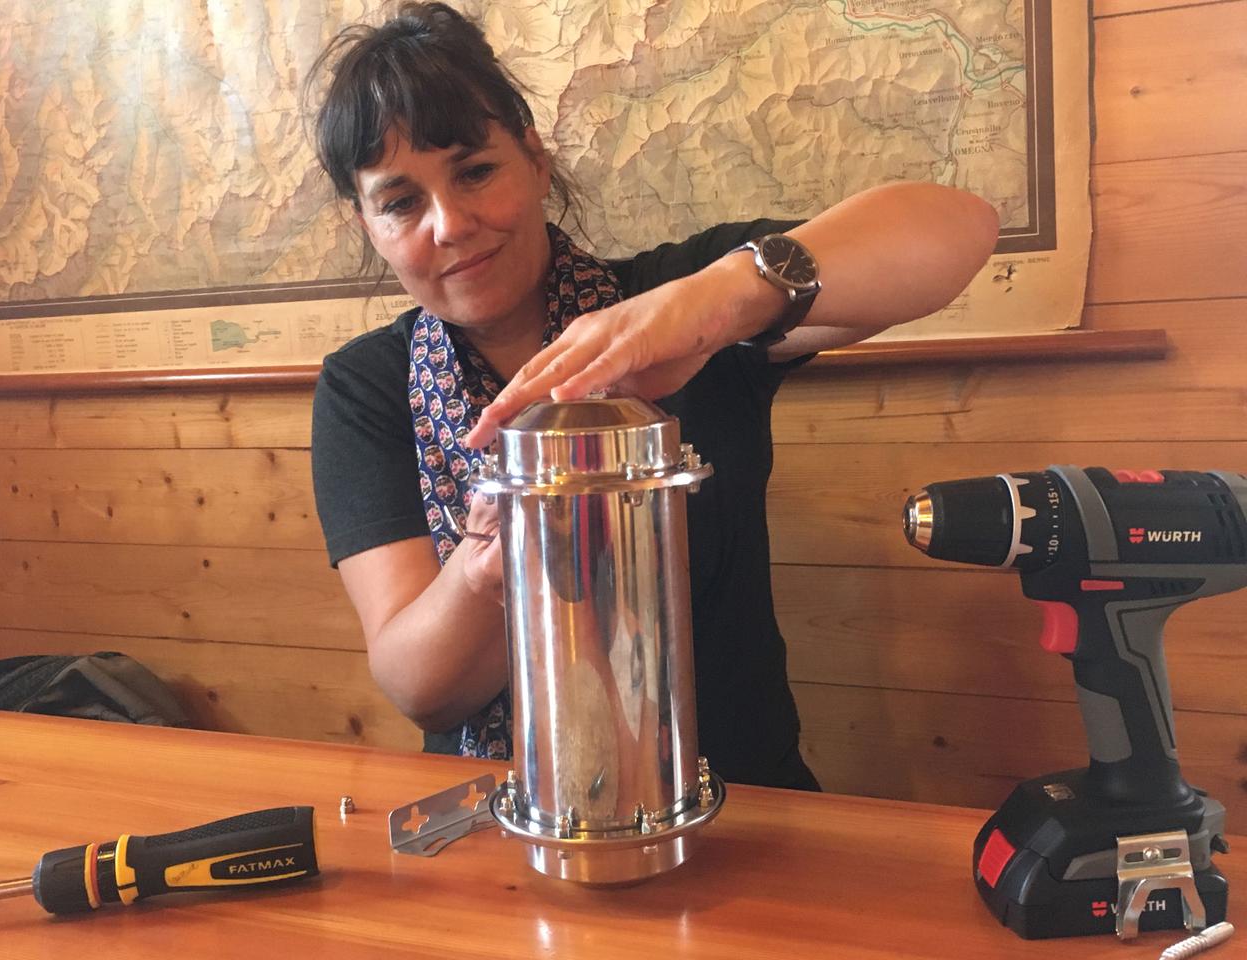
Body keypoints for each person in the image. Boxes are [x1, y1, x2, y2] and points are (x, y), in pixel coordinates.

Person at [307, 1, 999, 790]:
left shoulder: (677, 307)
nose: (451, 224)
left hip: (741, 809)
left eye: (474, 171)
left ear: (534, 159)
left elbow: (961, 229)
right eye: (400, 202)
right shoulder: (367, 386)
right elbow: (419, 688)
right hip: (504, 821)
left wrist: (715, 303)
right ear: (368, 224)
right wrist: (487, 563)